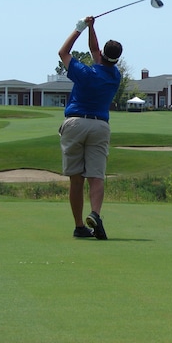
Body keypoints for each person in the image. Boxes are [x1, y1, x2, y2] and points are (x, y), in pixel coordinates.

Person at [58, 15, 123, 240]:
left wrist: (79, 28)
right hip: (100, 126)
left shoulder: (85, 73)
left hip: (75, 123)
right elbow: (96, 50)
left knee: (76, 178)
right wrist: (91, 28)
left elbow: (63, 53)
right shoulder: (115, 76)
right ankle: (95, 213)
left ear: (102, 55)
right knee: (96, 176)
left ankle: (79, 226)